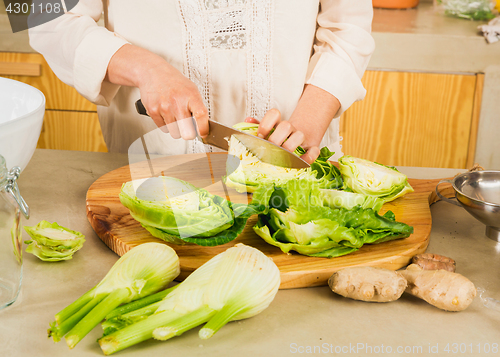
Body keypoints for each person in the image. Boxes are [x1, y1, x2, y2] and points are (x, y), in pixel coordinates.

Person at [29, 0, 375, 163]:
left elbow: (350, 26)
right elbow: (40, 16)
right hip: (157, 170)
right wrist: (145, 68)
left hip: (295, 158)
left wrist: (307, 124)